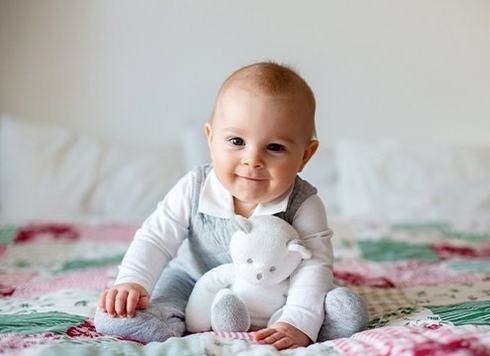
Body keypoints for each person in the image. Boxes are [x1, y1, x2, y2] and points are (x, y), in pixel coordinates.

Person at [94, 61, 367, 350]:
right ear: (211, 139)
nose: (253, 160)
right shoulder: (194, 187)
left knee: (332, 303)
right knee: (138, 305)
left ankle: (304, 322)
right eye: (237, 141)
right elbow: (155, 238)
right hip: (194, 277)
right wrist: (133, 283)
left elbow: (313, 264)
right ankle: (163, 321)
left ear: (305, 156)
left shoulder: (304, 203)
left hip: (277, 288)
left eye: (275, 147)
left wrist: (298, 321)